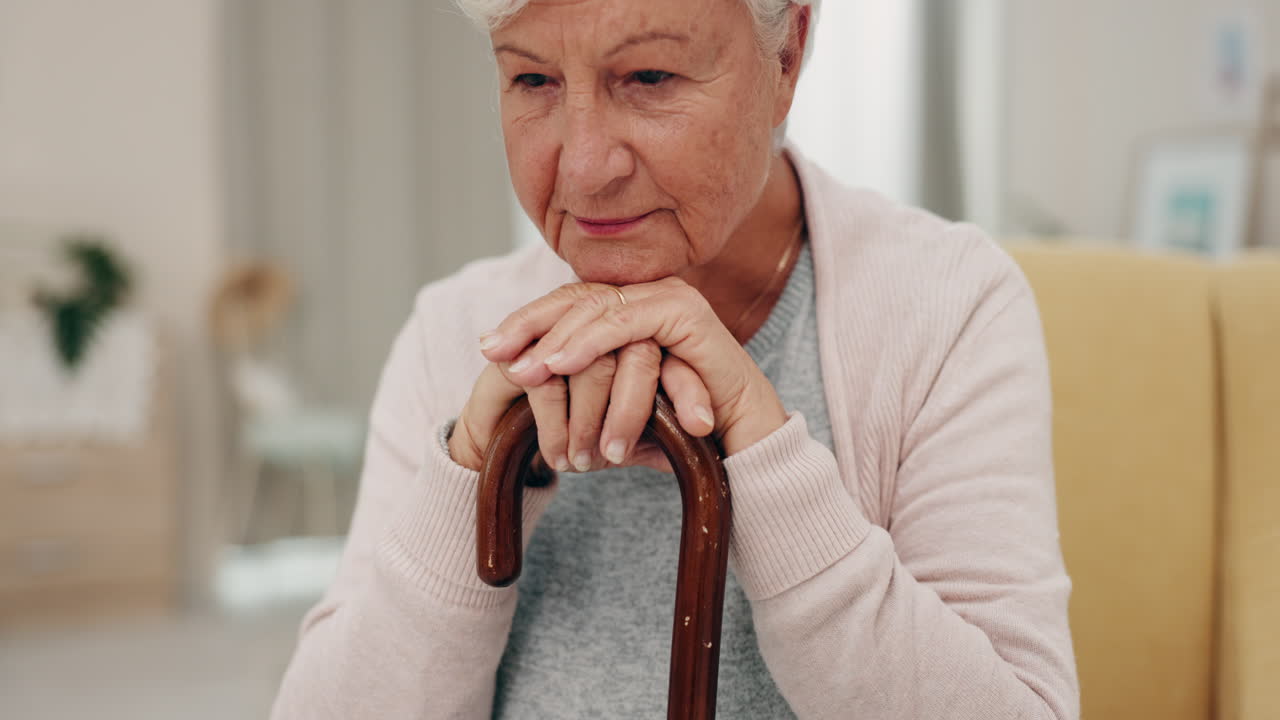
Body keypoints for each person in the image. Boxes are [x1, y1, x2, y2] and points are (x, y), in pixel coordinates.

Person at [271, 0, 1079, 717]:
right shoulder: (455, 330)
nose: (584, 168)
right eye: (533, 82)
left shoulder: (947, 304)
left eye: (650, 75)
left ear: (787, 56)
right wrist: (469, 485)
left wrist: (766, 457)